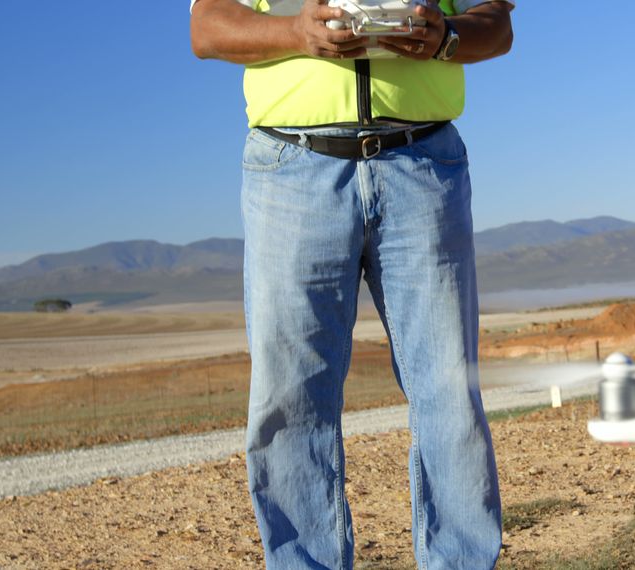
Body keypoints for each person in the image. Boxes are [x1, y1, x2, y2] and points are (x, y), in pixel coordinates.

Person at [189, 1, 514, 568]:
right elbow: (207, 27)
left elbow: (498, 24)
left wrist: (447, 37)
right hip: (291, 168)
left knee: (449, 387)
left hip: (424, 164)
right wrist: (296, 32)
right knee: (290, 397)